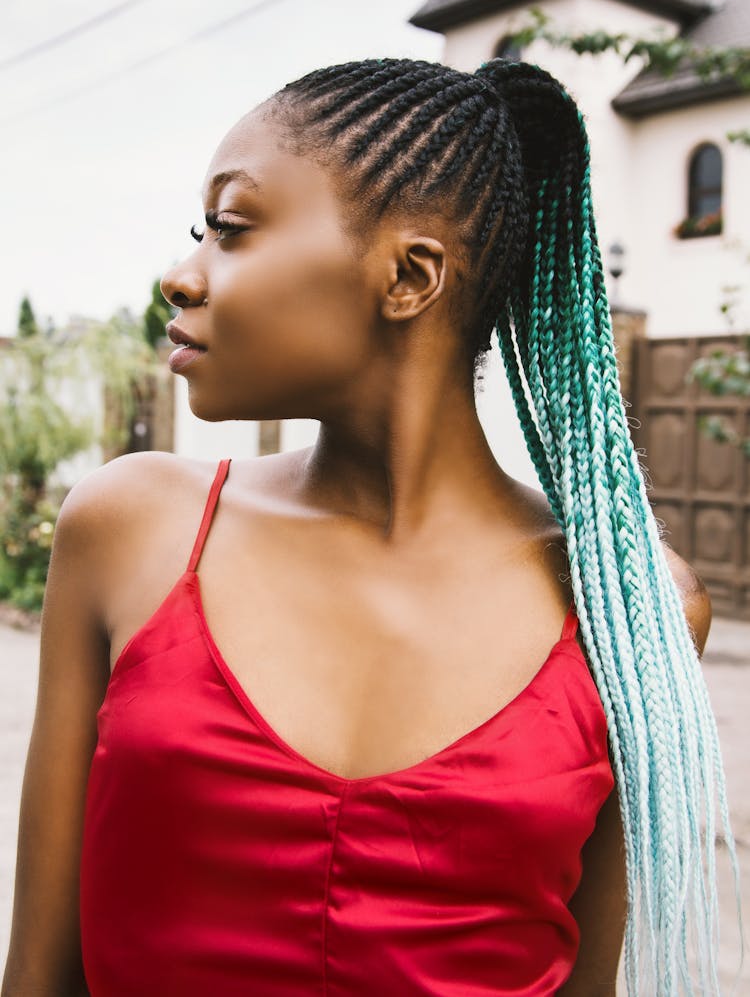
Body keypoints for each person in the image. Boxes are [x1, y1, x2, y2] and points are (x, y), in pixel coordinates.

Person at [1, 57, 741, 997]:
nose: (179, 277)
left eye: (230, 229)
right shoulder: (129, 527)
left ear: (409, 276)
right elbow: (36, 976)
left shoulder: (630, 610)